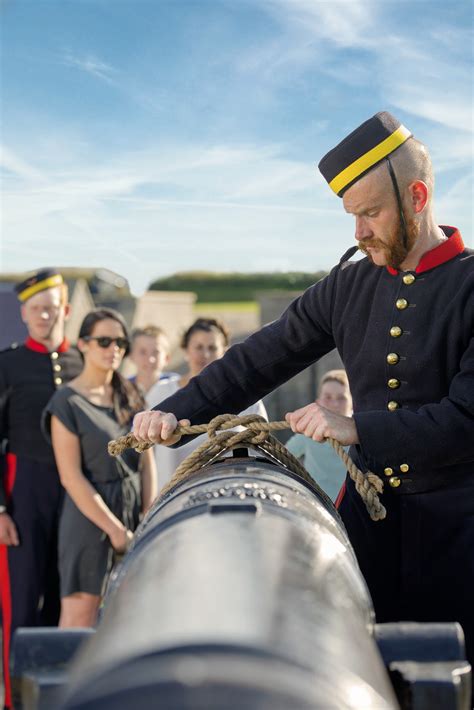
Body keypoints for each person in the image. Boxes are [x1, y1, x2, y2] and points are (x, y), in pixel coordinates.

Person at [131, 112, 474, 674]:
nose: (358, 233)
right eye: (352, 217)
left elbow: (466, 419)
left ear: (417, 196)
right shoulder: (348, 284)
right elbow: (256, 361)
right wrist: (171, 412)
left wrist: (357, 427)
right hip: (369, 531)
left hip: (459, 539)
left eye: (370, 213)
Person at [0, 269, 83, 709]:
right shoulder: (7, 363)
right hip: (23, 489)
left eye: (51, 308)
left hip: (76, 492)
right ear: (24, 314)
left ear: (66, 310)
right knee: (21, 602)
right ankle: (15, 700)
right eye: (36, 309)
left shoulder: (83, 363)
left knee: (65, 597)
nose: (45, 316)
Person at [43, 308, 156, 628]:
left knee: (130, 617)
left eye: (120, 342)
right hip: (89, 518)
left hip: (134, 510)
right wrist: (115, 531)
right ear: (83, 344)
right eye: (104, 341)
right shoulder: (66, 402)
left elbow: (147, 462)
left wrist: (148, 512)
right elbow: (70, 476)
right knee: (81, 615)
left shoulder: (132, 395)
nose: (114, 349)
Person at [147, 317, 267, 494]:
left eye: (212, 348)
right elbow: (144, 456)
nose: (205, 354)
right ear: (185, 351)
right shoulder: (160, 393)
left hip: (231, 495)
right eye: (199, 347)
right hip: (172, 498)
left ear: (225, 352)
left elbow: (262, 450)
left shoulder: (248, 399)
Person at [286, 370, 352, 501]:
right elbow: (282, 456)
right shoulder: (307, 433)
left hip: (352, 506)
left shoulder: (361, 435)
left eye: (341, 398)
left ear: (352, 403)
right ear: (318, 403)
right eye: (328, 397)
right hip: (316, 504)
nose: (335, 404)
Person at [128, 325, 178, 395]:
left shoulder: (176, 385)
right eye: (143, 352)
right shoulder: (122, 387)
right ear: (131, 356)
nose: (150, 359)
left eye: (156, 352)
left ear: (167, 358)